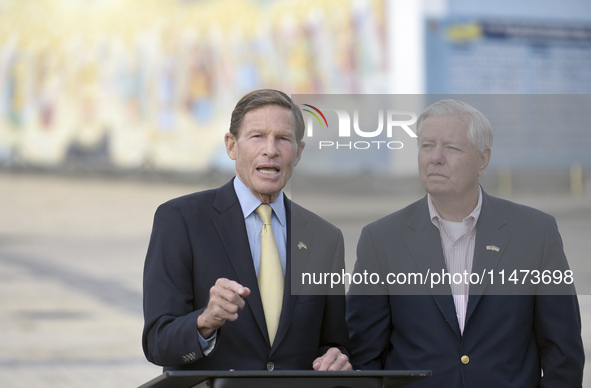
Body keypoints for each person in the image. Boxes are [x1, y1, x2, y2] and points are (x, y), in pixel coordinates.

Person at [346, 99, 584, 387]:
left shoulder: (536, 233)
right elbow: (363, 357)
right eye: (426, 146)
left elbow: (563, 354)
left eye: (452, 148)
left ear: (483, 160)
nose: (435, 157)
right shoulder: (381, 240)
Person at [142, 89, 351, 372]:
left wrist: (336, 358)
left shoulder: (325, 238)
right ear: (231, 146)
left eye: (283, 138)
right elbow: (157, 341)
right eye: (257, 136)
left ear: (299, 152)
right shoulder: (180, 220)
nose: (271, 150)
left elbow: (333, 342)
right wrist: (205, 321)